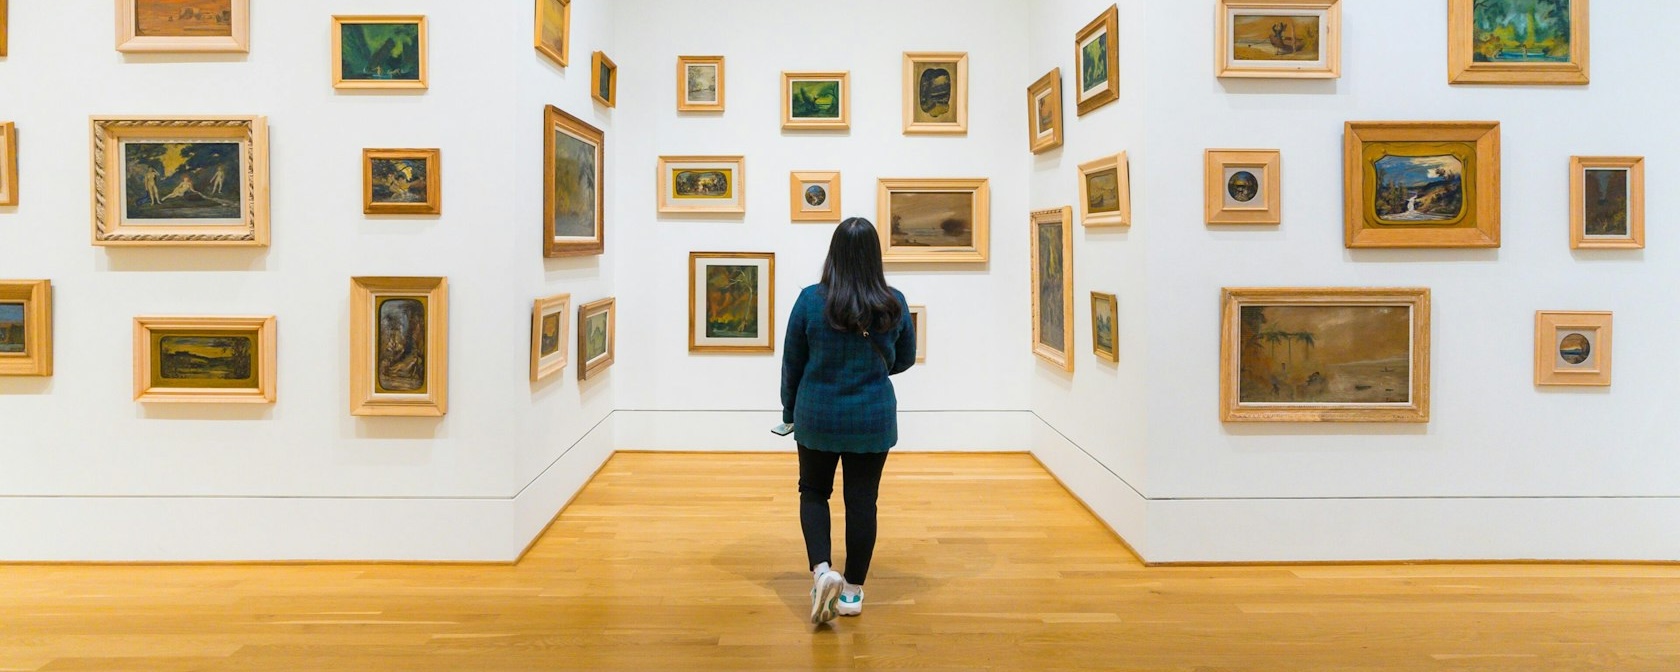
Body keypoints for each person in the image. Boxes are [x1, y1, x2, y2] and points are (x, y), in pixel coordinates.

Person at [780, 217, 916, 625]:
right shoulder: (892, 302)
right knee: (862, 503)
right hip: (871, 418)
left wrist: (790, 412)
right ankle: (853, 591)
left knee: (813, 493)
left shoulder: (809, 300)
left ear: (834, 253)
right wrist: (869, 373)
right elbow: (905, 358)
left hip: (817, 415)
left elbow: (792, 365)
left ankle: (822, 573)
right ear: (875, 255)